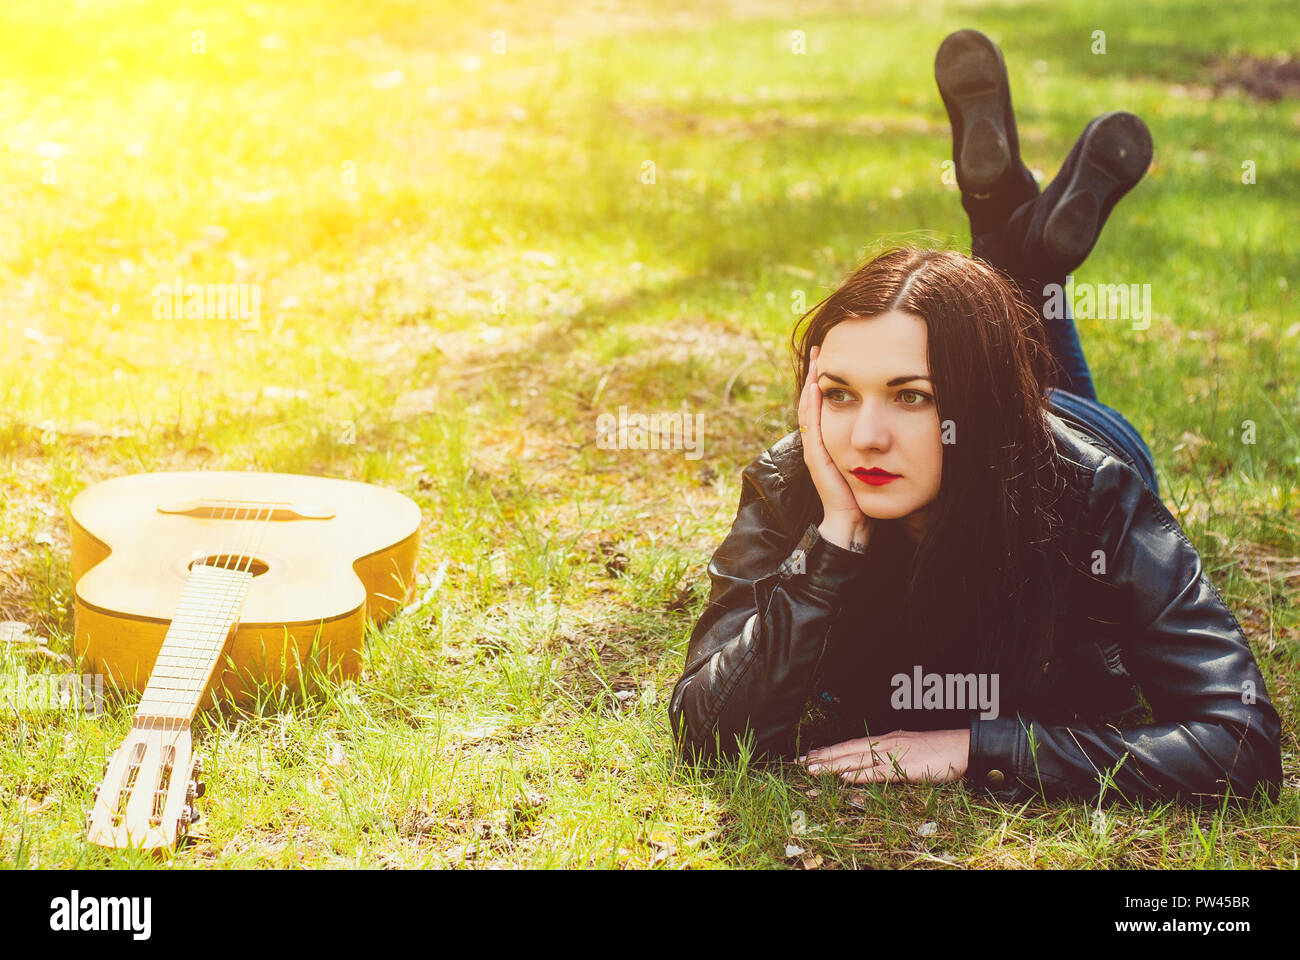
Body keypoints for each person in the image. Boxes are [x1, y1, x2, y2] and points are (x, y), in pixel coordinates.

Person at [668, 30, 1283, 808]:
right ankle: (1014, 246)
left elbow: (1241, 744)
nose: (865, 436)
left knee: (1007, 349)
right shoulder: (795, 478)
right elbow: (704, 733)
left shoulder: (1091, 493)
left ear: (967, 408)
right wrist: (832, 545)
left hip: (1075, 425)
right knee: (990, 324)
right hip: (996, 395)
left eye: (911, 396)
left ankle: (1007, 247)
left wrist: (976, 747)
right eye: (841, 392)